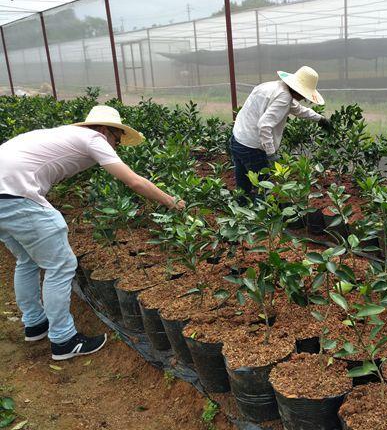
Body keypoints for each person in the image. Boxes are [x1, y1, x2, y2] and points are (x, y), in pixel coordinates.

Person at [0, 105, 185, 361]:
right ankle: (64, 341)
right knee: (61, 266)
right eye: (116, 138)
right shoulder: (93, 138)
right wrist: (170, 201)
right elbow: (133, 181)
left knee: (27, 260)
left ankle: (35, 324)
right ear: (103, 129)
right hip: (16, 196)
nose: (116, 145)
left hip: (6, 196)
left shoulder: (62, 135)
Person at [230, 65, 332, 201]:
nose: (303, 98)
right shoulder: (284, 98)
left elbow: (297, 109)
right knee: (265, 187)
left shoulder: (273, 87)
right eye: (304, 95)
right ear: (299, 90)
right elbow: (264, 125)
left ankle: (240, 212)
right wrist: (271, 153)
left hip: (238, 139)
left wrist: (320, 119)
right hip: (252, 148)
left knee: (243, 185)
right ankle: (261, 219)